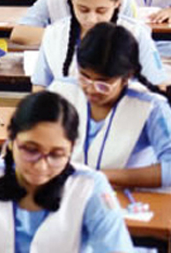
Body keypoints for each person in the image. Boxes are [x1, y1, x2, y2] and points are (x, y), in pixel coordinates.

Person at [0, 91, 134, 253]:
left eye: (56, 155)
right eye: (31, 150)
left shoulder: (90, 186)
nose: (41, 166)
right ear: (11, 141)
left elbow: (117, 252)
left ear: (71, 149)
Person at [48, 23, 171, 190]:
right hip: (63, 192)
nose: (91, 89)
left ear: (127, 77)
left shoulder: (150, 107)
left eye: (103, 84)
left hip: (123, 196)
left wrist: (99, 176)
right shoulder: (61, 91)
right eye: (84, 77)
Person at [30, 0, 167, 90]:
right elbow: (40, 86)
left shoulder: (137, 34)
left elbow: (159, 86)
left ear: (118, 1)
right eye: (83, 9)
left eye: (101, 11)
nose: (91, 19)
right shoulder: (54, 34)